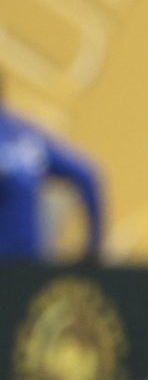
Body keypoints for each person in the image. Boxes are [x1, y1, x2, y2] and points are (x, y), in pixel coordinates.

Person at [0, 73, 104, 262]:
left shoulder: (22, 134)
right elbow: (87, 175)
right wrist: (94, 248)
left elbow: (86, 175)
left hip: (23, 265)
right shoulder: (23, 134)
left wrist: (93, 249)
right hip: (25, 265)